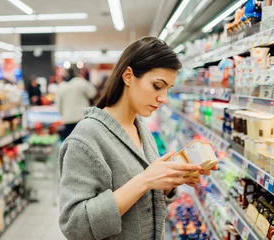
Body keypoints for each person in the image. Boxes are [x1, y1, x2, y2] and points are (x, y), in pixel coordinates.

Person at [58, 37, 216, 240]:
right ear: (128, 75)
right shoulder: (86, 138)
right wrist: (145, 180)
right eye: (157, 86)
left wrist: (167, 183)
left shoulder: (141, 129)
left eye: (168, 89)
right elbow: (75, 225)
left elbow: (141, 206)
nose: (163, 98)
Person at [55, 67, 97, 140]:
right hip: (82, 118)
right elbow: (93, 93)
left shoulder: (61, 86)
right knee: (84, 143)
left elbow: (58, 105)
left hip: (68, 119)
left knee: (70, 143)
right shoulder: (81, 82)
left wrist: (63, 114)